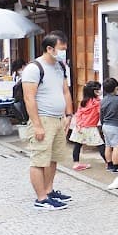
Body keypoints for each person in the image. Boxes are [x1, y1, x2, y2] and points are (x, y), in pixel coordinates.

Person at [22, 32, 74, 210]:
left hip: (59, 119)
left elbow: (65, 91)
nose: (63, 52)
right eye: (61, 49)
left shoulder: (60, 66)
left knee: (53, 158)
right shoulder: (34, 68)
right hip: (43, 119)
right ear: (49, 48)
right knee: (39, 159)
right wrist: (37, 125)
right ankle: (41, 199)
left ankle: (49, 190)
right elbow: (29, 98)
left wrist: (69, 115)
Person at [69, 81, 106, 171]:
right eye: (98, 90)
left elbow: (78, 114)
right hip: (90, 127)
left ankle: (76, 163)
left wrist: (78, 124)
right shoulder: (97, 102)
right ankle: (109, 162)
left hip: (79, 127)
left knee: (77, 145)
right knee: (100, 145)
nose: (100, 91)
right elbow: (101, 114)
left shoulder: (84, 102)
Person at [100, 77, 118, 173]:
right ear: (116, 88)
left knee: (108, 145)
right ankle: (116, 166)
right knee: (116, 146)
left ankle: (109, 165)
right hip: (115, 126)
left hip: (105, 125)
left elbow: (101, 115)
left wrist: (102, 124)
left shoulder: (103, 100)